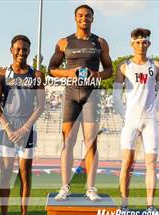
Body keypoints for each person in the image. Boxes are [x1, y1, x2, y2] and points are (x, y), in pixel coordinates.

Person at [48, 4, 112, 201]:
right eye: (81, 15)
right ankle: (64, 187)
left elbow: (110, 70)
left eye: (88, 16)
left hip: (91, 95)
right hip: (71, 95)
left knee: (91, 142)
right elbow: (52, 68)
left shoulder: (100, 42)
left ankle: (91, 187)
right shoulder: (64, 42)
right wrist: (68, 72)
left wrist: (97, 74)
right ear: (75, 18)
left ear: (93, 19)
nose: (84, 18)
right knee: (68, 142)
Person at [0, 35, 45, 215]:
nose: (21, 53)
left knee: (25, 173)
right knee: (5, 174)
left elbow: (41, 106)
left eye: (25, 50)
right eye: (18, 49)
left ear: (29, 51)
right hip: (7, 127)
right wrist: (8, 128)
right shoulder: (1, 74)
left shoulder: (37, 75)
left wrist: (24, 129)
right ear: (11, 50)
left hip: (27, 128)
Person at [112, 28, 159, 215]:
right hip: (131, 120)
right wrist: (125, 115)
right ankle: (124, 204)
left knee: (151, 163)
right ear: (131, 44)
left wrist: (153, 111)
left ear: (148, 44)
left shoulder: (156, 65)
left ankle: (150, 206)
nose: (141, 45)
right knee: (127, 162)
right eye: (137, 42)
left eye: (144, 42)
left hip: (149, 120)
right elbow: (116, 95)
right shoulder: (124, 66)